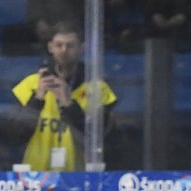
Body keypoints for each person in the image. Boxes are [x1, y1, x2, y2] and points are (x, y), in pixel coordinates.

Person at [12, 22, 117, 171]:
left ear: (81, 48)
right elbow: (16, 136)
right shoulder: (30, 84)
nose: (64, 50)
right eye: (59, 45)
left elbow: (98, 139)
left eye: (70, 45)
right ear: (50, 47)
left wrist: (68, 103)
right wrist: (38, 99)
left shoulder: (97, 88)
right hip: (36, 177)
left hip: (78, 175)